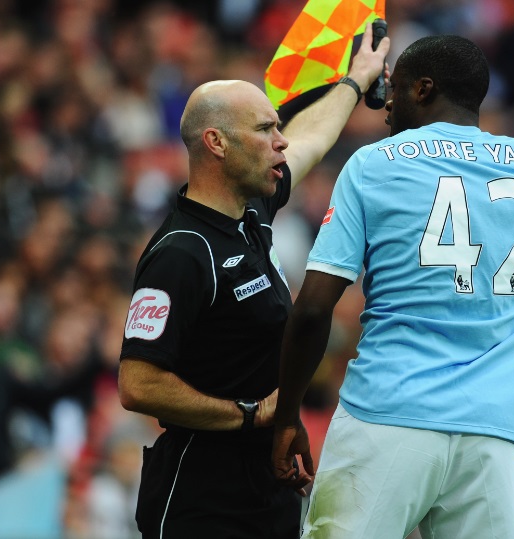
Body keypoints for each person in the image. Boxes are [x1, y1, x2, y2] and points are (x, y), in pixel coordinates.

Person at [271, 34, 514, 539]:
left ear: (423, 89)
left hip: (387, 414)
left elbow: (312, 308)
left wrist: (287, 415)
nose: (386, 102)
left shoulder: (375, 164)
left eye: (395, 88)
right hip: (493, 434)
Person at [116, 23, 390, 539]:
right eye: (265, 129)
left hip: (266, 486)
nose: (280, 141)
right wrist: (247, 414)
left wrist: (355, 81)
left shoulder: (253, 212)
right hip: (202, 499)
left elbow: (311, 138)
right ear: (216, 142)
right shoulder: (181, 253)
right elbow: (137, 384)